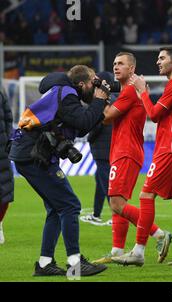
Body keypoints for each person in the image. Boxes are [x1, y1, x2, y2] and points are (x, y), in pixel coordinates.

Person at [8, 65, 108, 276]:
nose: (95, 86)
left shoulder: (62, 91)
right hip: (33, 154)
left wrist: (100, 107)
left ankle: (45, 264)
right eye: (93, 83)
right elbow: (82, 121)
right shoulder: (68, 94)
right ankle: (75, 264)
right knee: (71, 205)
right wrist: (99, 101)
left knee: (56, 208)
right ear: (82, 84)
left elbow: (81, 126)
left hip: (30, 153)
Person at [111, 47, 172, 266]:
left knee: (146, 195)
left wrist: (143, 92)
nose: (158, 62)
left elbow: (154, 115)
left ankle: (139, 251)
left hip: (169, 149)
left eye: (162, 58)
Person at [93, 52, 172, 265]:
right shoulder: (130, 92)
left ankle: (159, 234)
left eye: (121, 64)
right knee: (118, 203)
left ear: (132, 69)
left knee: (117, 203)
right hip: (124, 151)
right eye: (114, 63)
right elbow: (109, 121)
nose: (116, 67)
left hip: (126, 152)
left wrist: (99, 98)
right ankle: (117, 251)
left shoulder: (129, 92)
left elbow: (106, 117)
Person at [80, 72, 115, 226]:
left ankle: (116, 216)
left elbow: (98, 124)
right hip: (108, 147)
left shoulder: (102, 101)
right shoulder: (113, 99)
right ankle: (96, 214)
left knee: (106, 182)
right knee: (100, 180)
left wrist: (90, 136)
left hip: (103, 147)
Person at [0, 88, 13, 245]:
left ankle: (0, 225)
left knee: (5, 194)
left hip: (2, 151)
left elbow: (9, 118)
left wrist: (8, 139)